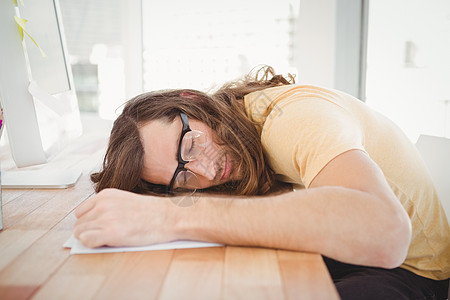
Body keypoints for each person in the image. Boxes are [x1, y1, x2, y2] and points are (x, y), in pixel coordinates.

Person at [74, 66, 449, 299]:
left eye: (190, 143)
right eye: (182, 176)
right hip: (349, 252)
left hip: (415, 272)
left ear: (192, 100)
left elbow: (386, 233)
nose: (204, 171)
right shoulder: (237, 137)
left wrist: (166, 217)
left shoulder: (293, 119)